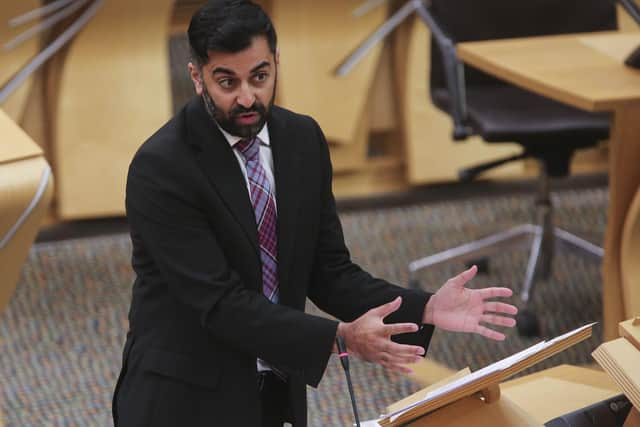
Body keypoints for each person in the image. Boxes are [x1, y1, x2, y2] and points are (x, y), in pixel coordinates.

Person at [112, 1, 518, 426]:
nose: (247, 97)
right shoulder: (162, 167)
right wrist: (339, 338)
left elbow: (328, 271)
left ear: (276, 64)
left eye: (260, 76)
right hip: (184, 397)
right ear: (197, 77)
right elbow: (220, 304)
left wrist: (427, 307)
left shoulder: (301, 140)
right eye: (226, 82)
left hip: (273, 389)